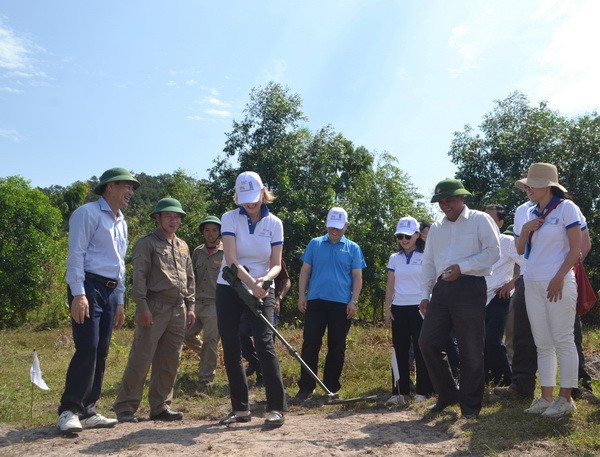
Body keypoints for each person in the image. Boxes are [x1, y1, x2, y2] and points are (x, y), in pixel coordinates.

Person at [58, 167, 139, 433]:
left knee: (102, 350)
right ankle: (70, 409)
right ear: (109, 187)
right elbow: (76, 254)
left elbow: (120, 265)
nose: (130, 192)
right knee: (88, 347)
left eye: (132, 188)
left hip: (110, 288)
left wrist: (120, 301)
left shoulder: (122, 221)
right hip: (88, 286)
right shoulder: (88, 213)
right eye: (126, 186)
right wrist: (78, 293)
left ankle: (89, 409)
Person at [418, 178, 500, 419]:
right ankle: (448, 394)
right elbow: (429, 263)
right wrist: (425, 294)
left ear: (462, 197)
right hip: (442, 288)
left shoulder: (480, 219)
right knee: (427, 342)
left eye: (450, 199)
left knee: (470, 348)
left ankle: (470, 406)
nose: (446, 205)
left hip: (470, 286)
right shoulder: (437, 228)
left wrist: (462, 268)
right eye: (441, 201)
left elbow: (493, 253)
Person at [113, 198, 196, 423]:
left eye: (177, 216)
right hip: (154, 306)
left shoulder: (183, 245)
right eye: (168, 216)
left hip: (178, 308)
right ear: (157, 218)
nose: (173, 220)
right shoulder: (146, 243)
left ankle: (160, 406)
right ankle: (125, 407)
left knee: (170, 360)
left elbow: (189, 278)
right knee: (141, 357)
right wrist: (142, 306)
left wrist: (190, 306)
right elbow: (138, 277)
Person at [215, 171, 286, 428]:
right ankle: (241, 409)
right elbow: (232, 260)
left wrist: (264, 282)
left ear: (262, 192)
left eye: (253, 197)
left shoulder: (275, 223)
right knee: (232, 346)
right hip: (230, 285)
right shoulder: (229, 218)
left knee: (265, 343)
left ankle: (276, 408)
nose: (249, 203)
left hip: (262, 286)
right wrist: (250, 284)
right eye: (243, 198)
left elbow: (276, 264)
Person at [513, 163, 581, 418]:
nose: (527, 188)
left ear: (547, 186)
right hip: (532, 282)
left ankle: (566, 399)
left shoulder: (566, 208)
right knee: (542, 343)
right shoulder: (530, 212)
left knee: (563, 339)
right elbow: (520, 251)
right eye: (527, 185)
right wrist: (525, 231)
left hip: (558, 281)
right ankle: (546, 397)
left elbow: (576, 250)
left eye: (532, 184)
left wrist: (559, 277)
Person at [293, 207, 367, 403]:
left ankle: (330, 387)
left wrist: (354, 301)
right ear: (326, 225)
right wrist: (302, 295)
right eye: (331, 227)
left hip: (342, 304)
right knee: (310, 344)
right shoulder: (315, 244)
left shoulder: (353, 248)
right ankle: (306, 387)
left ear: (346, 226)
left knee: (337, 347)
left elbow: (357, 276)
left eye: (339, 227)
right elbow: (305, 271)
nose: (334, 231)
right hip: (316, 301)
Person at [384, 216, 433, 406]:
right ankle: (399, 391)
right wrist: (388, 308)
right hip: (399, 308)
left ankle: (423, 391)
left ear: (417, 235)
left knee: (422, 349)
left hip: (420, 307)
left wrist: (428, 301)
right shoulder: (394, 258)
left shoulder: (426, 255)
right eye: (400, 236)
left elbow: (432, 281)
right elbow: (390, 286)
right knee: (400, 351)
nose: (404, 240)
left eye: (407, 236)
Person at [184, 215, 223, 392]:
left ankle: (205, 380)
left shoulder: (226, 251)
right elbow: (191, 277)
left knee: (210, 340)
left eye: (214, 230)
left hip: (216, 304)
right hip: (197, 302)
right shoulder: (197, 251)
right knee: (185, 334)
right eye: (207, 230)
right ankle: (208, 357)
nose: (210, 234)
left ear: (219, 232)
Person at [483, 205, 520, 387]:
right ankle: (486, 380)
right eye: (484, 219)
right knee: (478, 342)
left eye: (491, 220)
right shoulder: (476, 243)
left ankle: (506, 381)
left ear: (500, 222)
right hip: (477, 298)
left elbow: (528, 264)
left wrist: (511, 283)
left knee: (492, 340)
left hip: (500, 296)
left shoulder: (507, 242)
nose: (487, 223)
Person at [242, 259, 291, 386]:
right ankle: (255, 362)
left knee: (265, 342)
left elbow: (287, 281)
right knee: (241, 335)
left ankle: (262, 379)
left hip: (268, 304)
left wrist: (278, 299)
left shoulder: (276, 258)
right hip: (247, 303)